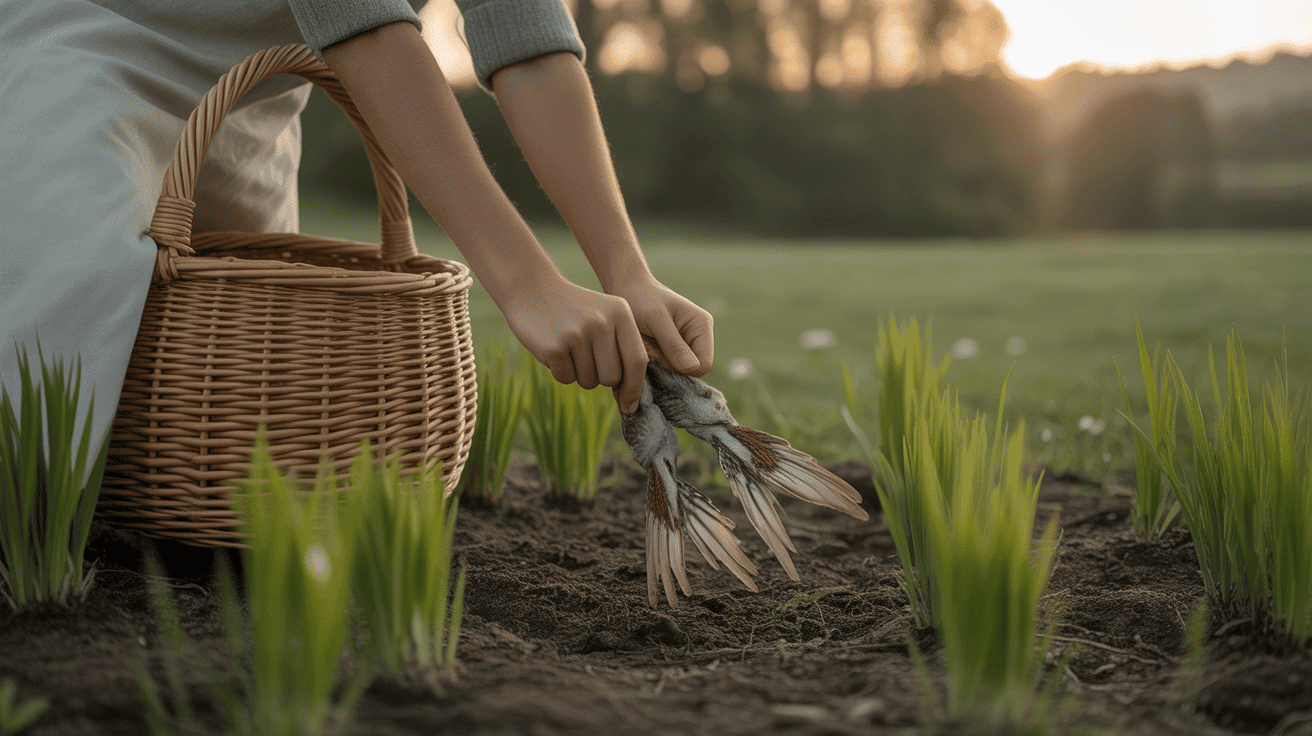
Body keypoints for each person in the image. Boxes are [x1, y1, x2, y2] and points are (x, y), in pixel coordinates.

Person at [0, 0, 714, 457]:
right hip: (82, 51)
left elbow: (527, 43)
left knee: (230, 410)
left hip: (248, 99)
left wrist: (627, 271)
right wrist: (528, 284)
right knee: (57, 373)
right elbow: (367, 28)